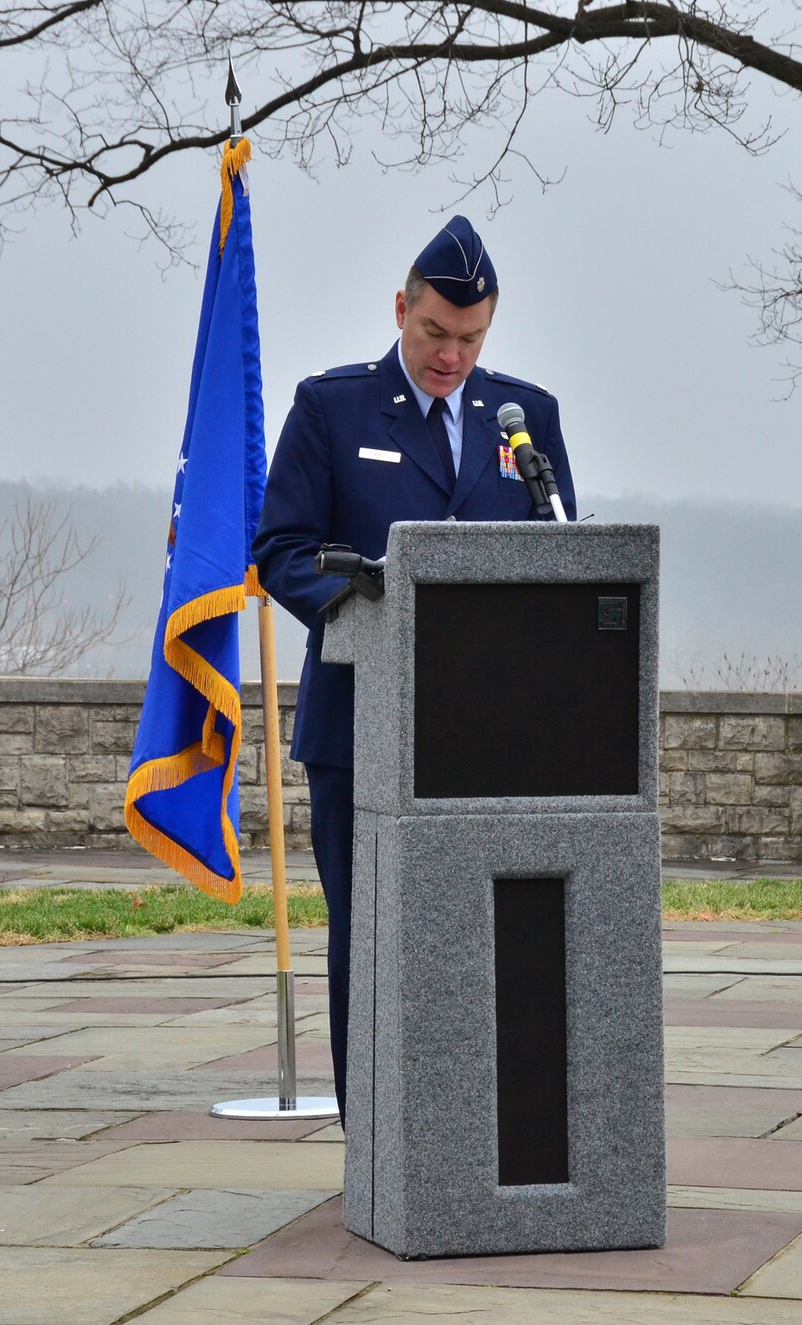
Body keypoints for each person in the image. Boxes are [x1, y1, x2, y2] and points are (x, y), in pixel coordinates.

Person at [253, 217, 575, 1111]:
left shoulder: (524, 417)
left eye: (471, 339)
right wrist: (368, 602)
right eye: (435, 333)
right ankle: (374, 1142)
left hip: (495, 736)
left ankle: (479, 1125)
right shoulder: (334, 407)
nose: (451, 357)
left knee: (493, 939)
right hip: (362, 728)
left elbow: (559, 552)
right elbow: (281, 548)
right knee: (373, 937)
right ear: (401, 309)